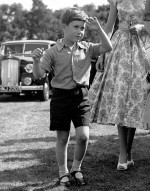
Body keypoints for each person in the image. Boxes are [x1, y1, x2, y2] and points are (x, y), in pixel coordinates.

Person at [32, 7, 112, 187]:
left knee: (83, 136)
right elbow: (38, 75)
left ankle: (76, 168)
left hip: (81, 97)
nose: (80, 31)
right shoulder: (53, 51)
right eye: (76, 27)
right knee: (62, 138)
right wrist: (36, 62)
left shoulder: (88, 48)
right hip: (60, 98)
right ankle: (63, 172)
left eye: (82, 28)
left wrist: (98, 29)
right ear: (64, 27)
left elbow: (108, 46)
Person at [89, 0, 150, 171]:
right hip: (119, 48)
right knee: (120, 98)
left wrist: (141, 28)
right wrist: (101, 54)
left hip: (142, 49)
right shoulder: (117, 0)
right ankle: (123, 153)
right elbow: (108, 27)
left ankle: (128, 152)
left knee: (134, 101)